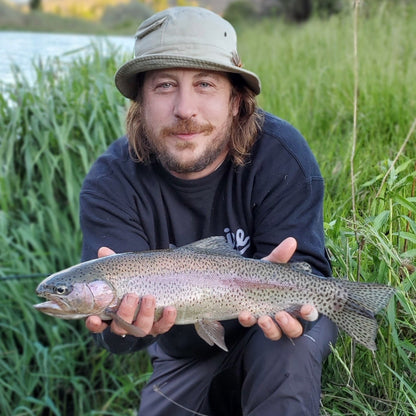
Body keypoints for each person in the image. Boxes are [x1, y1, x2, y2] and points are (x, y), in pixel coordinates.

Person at [80, 6, 338, 416]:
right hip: (183, 354)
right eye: (165, 86)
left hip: (275, 335)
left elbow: (308, 270)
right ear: (140, 103)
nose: (185, 108)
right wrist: (125, 328)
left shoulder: (282, 154)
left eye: (204, 84)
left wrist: (292, 300)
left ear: (236, 101)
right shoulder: (110, 183)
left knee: (285, 349)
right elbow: (115, 338)